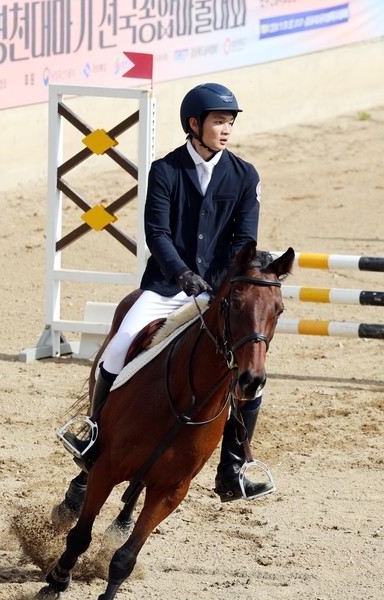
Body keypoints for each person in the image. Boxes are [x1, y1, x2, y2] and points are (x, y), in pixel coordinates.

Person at [65, 82, 272, 502]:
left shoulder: (245, 175)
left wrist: (220, 283)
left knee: (252, 375)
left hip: (216, 294)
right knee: (117, 349)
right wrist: (180, 274)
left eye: (230, 122)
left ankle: (235, 467)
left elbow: (243, 239)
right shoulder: (165, 171)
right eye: (219, 121)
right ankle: (93, 434)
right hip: (165, 287)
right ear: (194, 124)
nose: (226, 128)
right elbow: (156, 233)